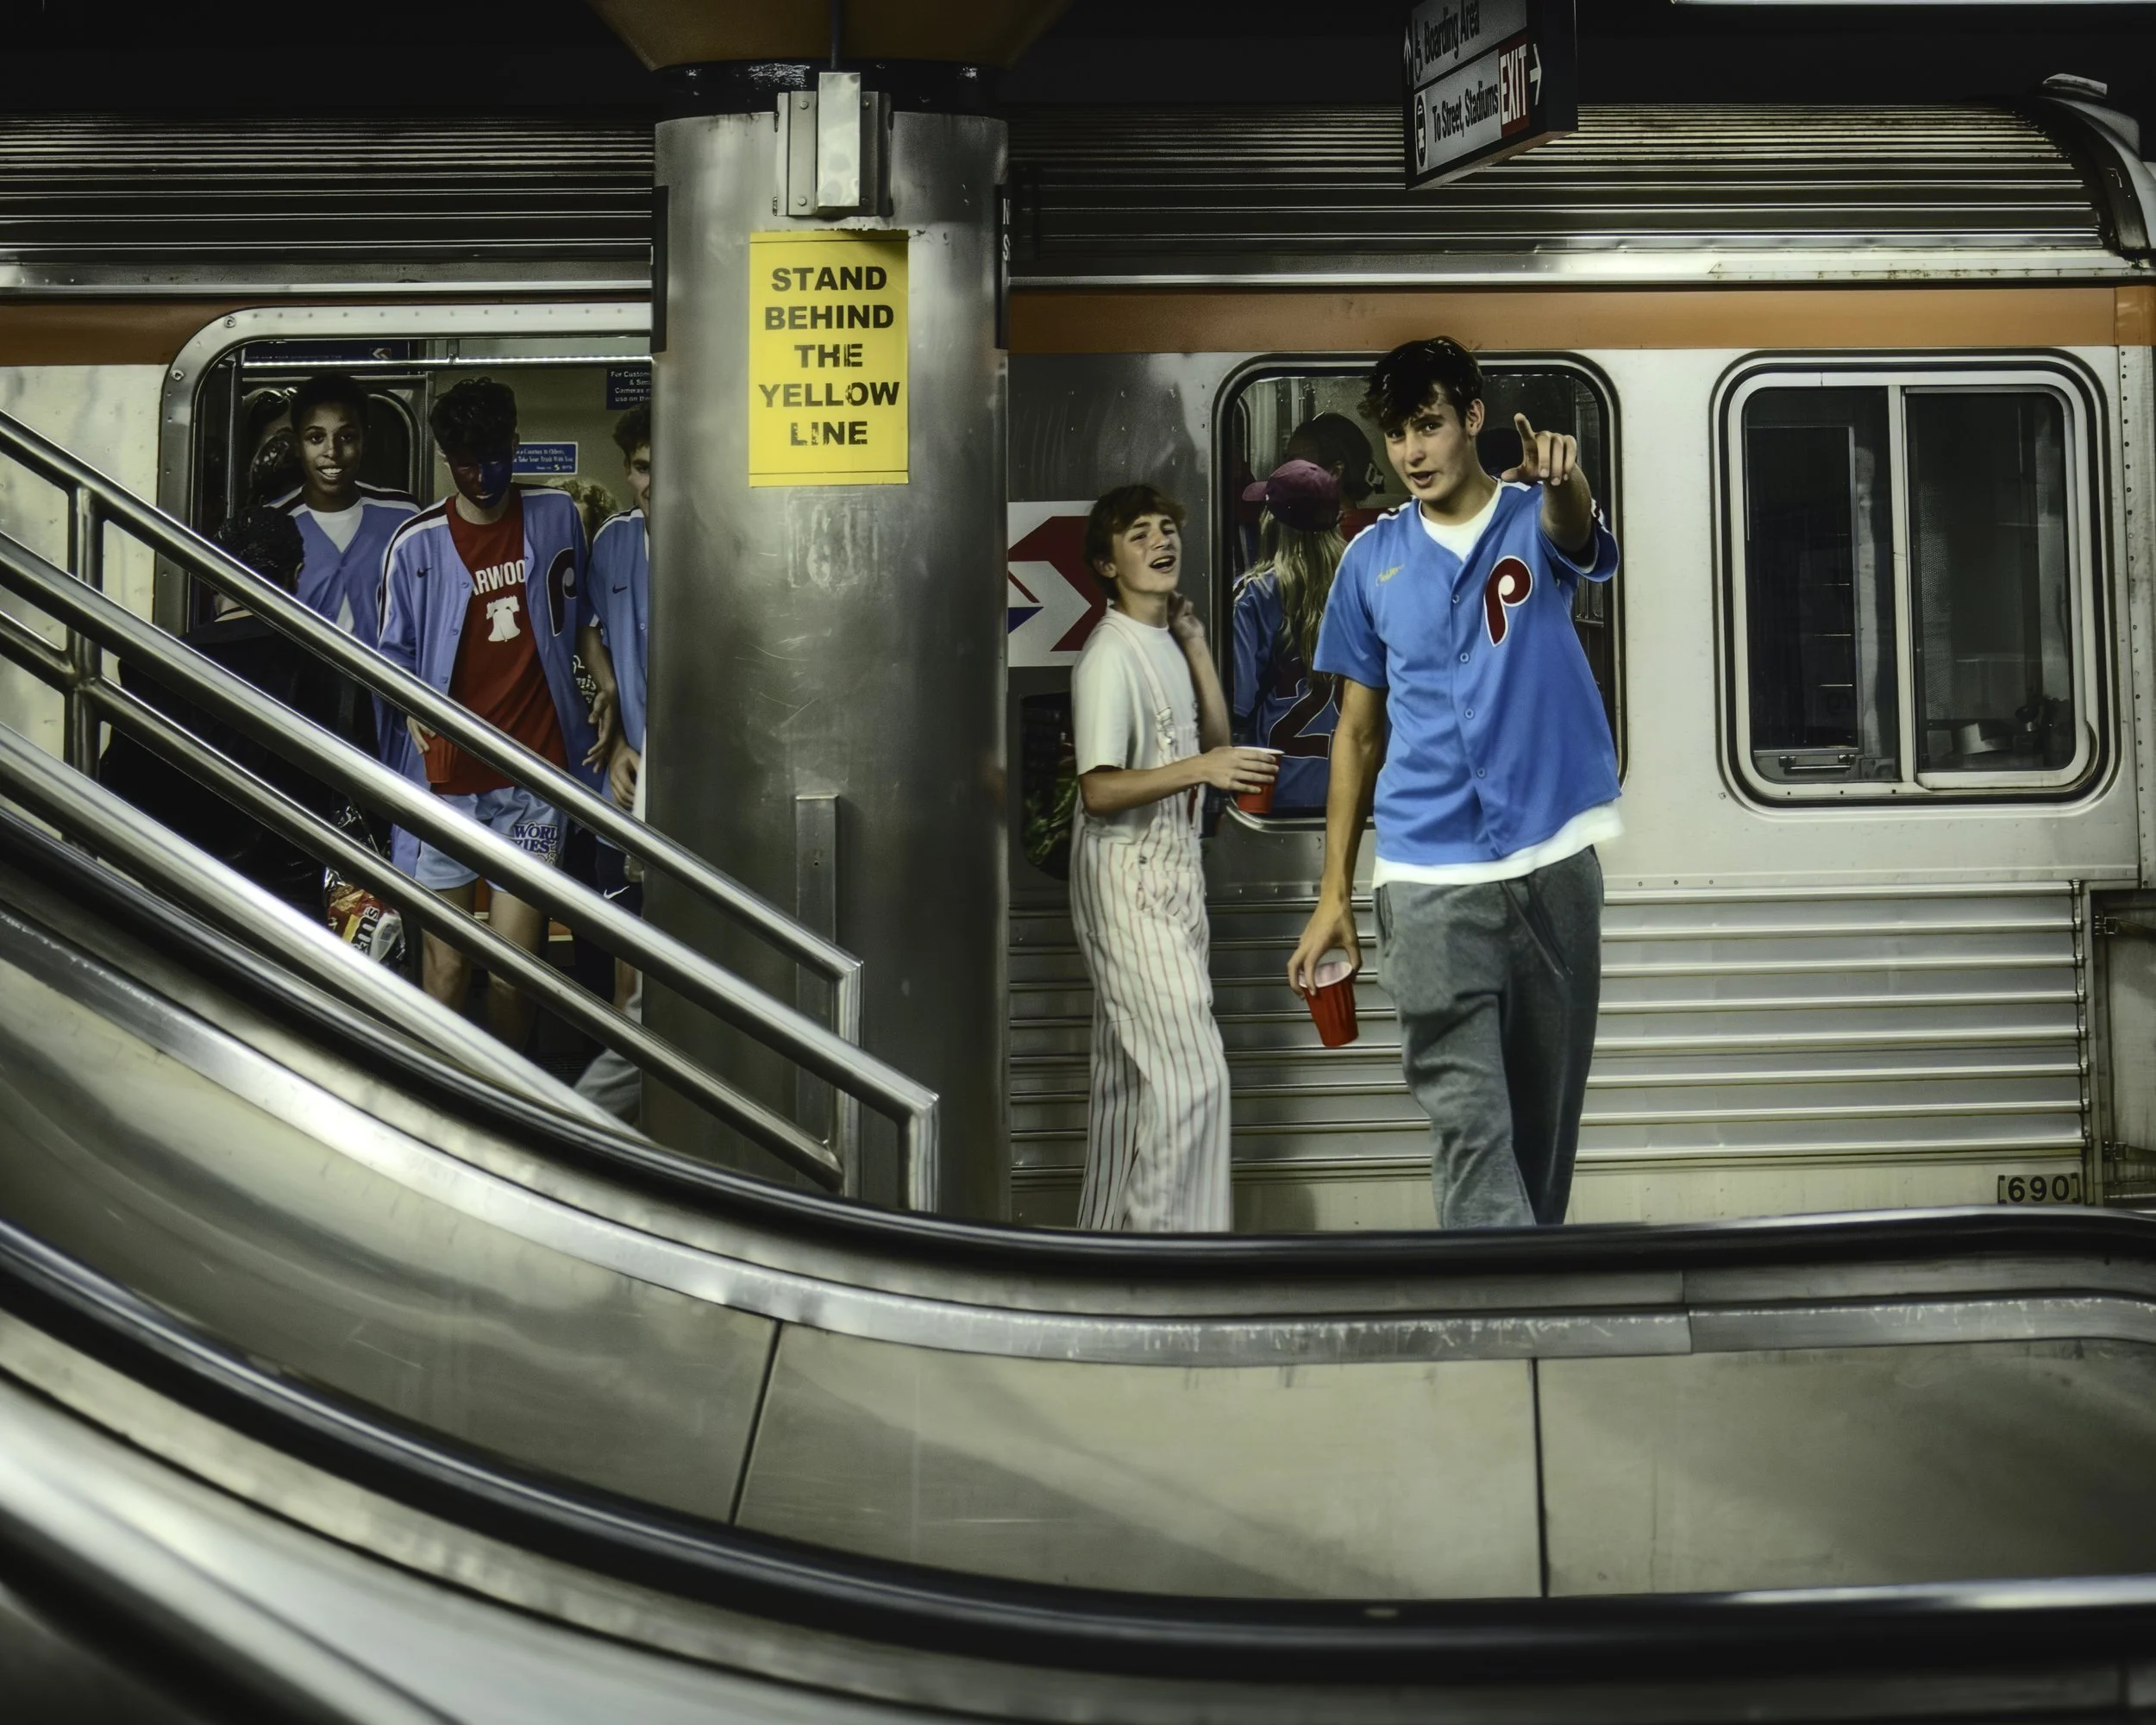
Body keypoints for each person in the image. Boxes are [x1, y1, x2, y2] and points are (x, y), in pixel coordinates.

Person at [1287, 337, 1620, 1231]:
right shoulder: (1370, 560)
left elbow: (1579, 533)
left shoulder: (1531, 518)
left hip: (1551, 865)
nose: (1411, 453)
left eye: (1428, 425)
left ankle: (1526, 1324)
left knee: (1541, 1141)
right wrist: (1333, 898)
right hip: (1426, 884)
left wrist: (1564, 479)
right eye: (1396, 434)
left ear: (1472, 419)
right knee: (1472, 1131)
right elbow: (1354, 733)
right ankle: (1501, 1338)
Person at [377, 377, 620, 1046]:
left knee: (518, 972)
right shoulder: (416, 544)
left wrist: (603, 681)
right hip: (446, 785)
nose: (482, 476)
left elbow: (580, 616)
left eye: (494, 457)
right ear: (444, 459)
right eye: (465, 462)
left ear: (516, 444)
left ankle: (515, 1108)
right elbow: (388, 658)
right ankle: (449, 1110)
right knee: (447, 966)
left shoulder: (554, 515)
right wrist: (406, 708)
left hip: (532, 778)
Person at [1069, 483, 1277, 1233]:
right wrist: (1201, 772)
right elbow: (1097, 790)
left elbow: (1215, 743)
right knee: (1193, 1080)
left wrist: (1195, 645)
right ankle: (1173, 1260)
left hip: (1170, 872)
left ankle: (1101, 1255)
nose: (1161, 542)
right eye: (1137, 535)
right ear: (1106, 562)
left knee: (1131, 1087)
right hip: (1127, 876)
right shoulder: (1106, 657)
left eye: (1166, 530)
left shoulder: (1161, 636)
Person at [100, 506, 342, 911]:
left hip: (179, 896)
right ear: (297, 574)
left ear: (214, 576)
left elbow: (119, 789)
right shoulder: (331, 671)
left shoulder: (156, 665)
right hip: (293, 912)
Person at [573, 405, 652, 1120]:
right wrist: (617, 709)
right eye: (641, 467)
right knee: (630, 1000)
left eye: (665, 466)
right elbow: (590, 631)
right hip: (629, 790)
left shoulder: (729, 538)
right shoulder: (616, 542)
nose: (652, 482)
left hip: (707, 795)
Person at [279, 373, 417, 756]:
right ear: (297, 445)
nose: (332, 453)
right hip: (300, 713)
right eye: (315, 438)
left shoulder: (403, 517)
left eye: (347, 436)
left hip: (391, 712)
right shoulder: (275, 523)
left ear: (365, 439)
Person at [1231, 457, 1347, 815]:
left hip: (1275, 799)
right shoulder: (1368, 589)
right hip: (1357, 794)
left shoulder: (1251, 596)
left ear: (1273, 525)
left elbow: (1235, 708)